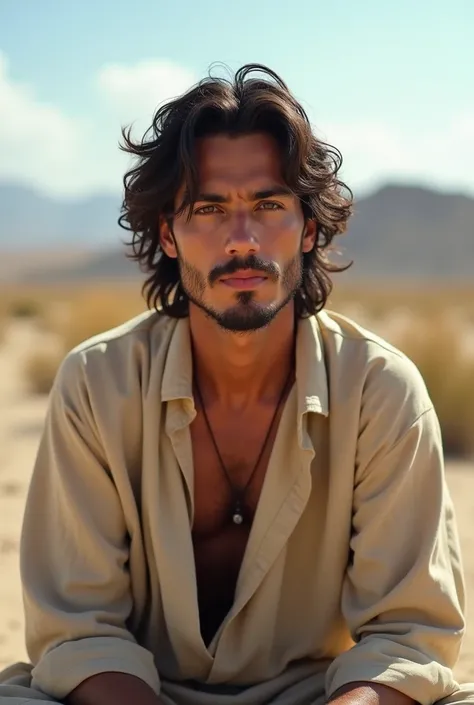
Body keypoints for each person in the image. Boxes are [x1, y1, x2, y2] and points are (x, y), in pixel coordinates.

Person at [0, 63, 472, 705]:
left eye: (269, 205)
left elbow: (408, 638)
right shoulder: (97, 383)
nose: (243, 241)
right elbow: (79, 634)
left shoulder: (380, 389)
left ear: (308, 227)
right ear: (168, 233)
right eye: (210, 208)